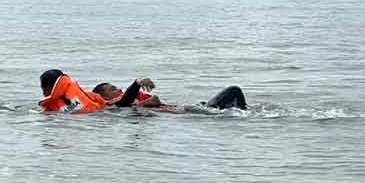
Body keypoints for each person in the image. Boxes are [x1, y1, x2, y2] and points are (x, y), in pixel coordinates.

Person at [92, 80, 248, 111]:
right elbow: (124, 103)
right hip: (190, 114)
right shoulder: (112, 106)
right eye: (113, 89)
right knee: (234, 90)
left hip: (190, 110)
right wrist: (137, 83)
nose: (119, 90)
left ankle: (243, 112)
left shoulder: (126, 103)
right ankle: (244, 114)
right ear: (104, 96)